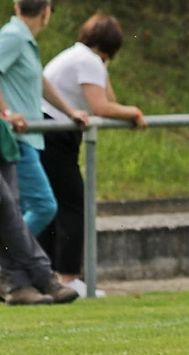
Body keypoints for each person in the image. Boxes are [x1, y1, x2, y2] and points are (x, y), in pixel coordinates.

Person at [39, 13, 146, 298]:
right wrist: (134, 113)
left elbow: (107, 97)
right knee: (74, 205)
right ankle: (69, 277)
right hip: (53, 134)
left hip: (50, 133)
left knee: (52, 206)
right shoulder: (86, 60)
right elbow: (102, 107)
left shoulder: (81, 56)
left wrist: (105, 68)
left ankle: (48, 277)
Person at [0, 0, 88, 237]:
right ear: (46, 12)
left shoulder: (25, 40)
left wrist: (71, 112)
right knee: (43, 206)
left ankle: (14, 261)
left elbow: (40, 81)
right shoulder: (14, 37)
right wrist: (6, 113)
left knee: (20, 209)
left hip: (28, 138)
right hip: (17, 139)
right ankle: (9, 256)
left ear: (17, 7)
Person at [0, 113, 79, 305]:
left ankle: (19, 283)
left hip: (3, 138)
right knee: (6, 205)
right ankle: (42, 276)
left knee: (10, 213)